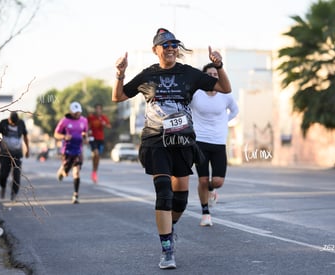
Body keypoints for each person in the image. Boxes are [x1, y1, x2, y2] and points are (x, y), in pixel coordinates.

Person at [112, 28, 231, 269]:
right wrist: (120, 74)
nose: (170, 48)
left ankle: (170, 226)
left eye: (174, 44)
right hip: (156, 140)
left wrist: (219, 65)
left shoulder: (189, 73)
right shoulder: (148, 76)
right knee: (163, 192)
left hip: (182, 141)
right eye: (165, 45)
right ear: (155, 50)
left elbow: (224, 89)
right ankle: (167, 249)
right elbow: (119, 96)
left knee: (180, 201)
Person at [190, 63, 239, 227]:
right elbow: (185, 109)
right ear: (204, 77)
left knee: (217, 181)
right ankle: (205, 214)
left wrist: (223, 122)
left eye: (215, 74)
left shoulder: (226, 95)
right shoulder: (195, 94)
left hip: (218, 142)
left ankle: (212, 190)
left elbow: (235, 111)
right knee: (202, 180)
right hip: (200, 141)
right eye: (209, 74)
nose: (213, 77)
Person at [54, 101, 88, 204]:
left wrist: (84, 136)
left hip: (78, 150)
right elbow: (56, 134)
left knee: (76, 172)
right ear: (71, 112)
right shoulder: (64, 121)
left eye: (79, 112)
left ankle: (75, 195)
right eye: (75, 112)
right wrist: (64, 137)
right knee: (66, 172)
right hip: (67, 150)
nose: (77, 114)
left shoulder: (84, 120)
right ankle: (62, 170)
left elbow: (85, 133)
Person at [0, 112, 30, 201]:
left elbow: (26, 136)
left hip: (17, 154)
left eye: (15, 123)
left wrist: (27, 150)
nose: (14, 124)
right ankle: (3, 187)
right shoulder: (3, 123)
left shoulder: (21, 123)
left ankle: (14, 194)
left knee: (16, 176)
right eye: (12, 123)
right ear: (9, 119)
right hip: (5, 153)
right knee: (3, 175)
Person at [87, 103, 111, 183]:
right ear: (95, 110)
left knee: (97, 157)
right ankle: (94, 171)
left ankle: (94, 171)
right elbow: (86, 126)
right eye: (97, 109)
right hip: (92, 138)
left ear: (101, 110)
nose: (98, 110)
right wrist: (87, 132)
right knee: (95, 154)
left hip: (100, 139)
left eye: (99, 109)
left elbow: (109, 126)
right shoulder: (91, 117)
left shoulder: (104, 117)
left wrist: (104, 124)